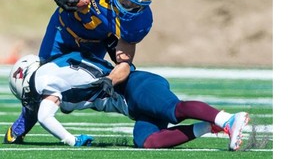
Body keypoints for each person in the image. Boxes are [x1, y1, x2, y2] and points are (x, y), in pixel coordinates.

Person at [4, 0, 160, 145]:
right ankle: (25, 120)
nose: (127, 6)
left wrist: (110, 80)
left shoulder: (139, 21)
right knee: (41, 81)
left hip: (95, 43)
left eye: (136, 5)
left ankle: (148, 111)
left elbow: (125, 62)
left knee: (77, 93)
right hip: (62, 30)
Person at [6, 52, 249, 150]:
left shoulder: (43, 78)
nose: (30, 99)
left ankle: (228, 119)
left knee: (174, 111)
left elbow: (43, 115)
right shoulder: (54, 72)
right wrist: (15, 132)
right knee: (147, 141)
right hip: (130, 104)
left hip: (135, 85)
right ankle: (209, 126)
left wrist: (70, 140)